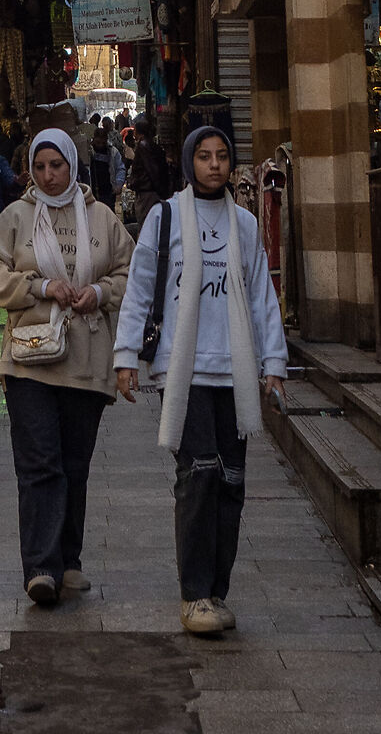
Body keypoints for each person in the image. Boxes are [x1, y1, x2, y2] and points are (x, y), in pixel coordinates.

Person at [114, 121, 287, 638]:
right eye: (205, 156)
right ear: (189, 162)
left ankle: (217, 590)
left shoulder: (246, 224)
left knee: (232, 481)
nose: (215, 164)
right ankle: (194, 594)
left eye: (222, 156)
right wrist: (126, 356)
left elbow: (261, 297)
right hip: (183, 368)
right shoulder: (164, 219)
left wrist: (273, 364)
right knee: (200, 475)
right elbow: (141, 289)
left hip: (233, 370)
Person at [0, 126, 132, 606]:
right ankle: (41, 566)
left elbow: (131, 274)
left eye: (56, 166)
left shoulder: (103, 219)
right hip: (28, 361)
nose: (47, 176)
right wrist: (40, 288)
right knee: (39, 462)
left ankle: (70, 560)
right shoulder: (16, 218)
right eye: (39, 167)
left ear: (72, 165)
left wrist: (101, 292)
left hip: (85, 359)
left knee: (74, 465)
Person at [128, 115, 173, 231]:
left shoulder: (143, 147)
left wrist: (159, 190)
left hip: (148, 193)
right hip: (151, 191)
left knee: (147, 225)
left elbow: (152, 170)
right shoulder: (151, 146)